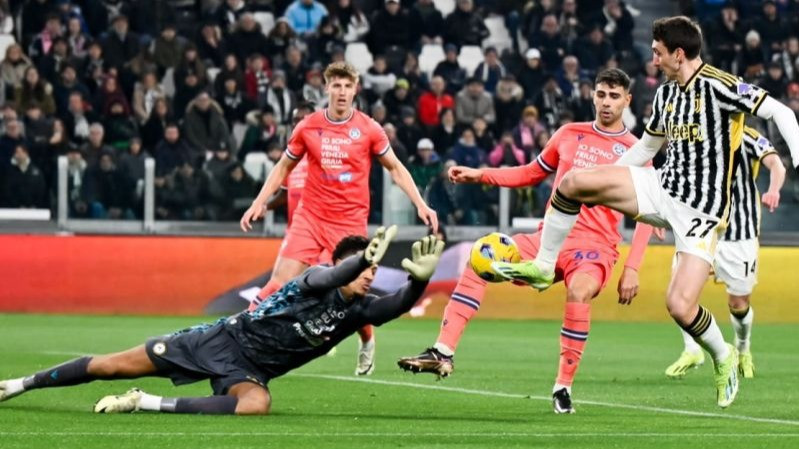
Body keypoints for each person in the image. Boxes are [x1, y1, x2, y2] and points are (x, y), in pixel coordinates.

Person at [493, 16, 799, 409]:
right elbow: (645, 151)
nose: (653, 60)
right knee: (573, 182)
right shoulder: (667, 95)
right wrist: (609, 174)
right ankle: (542, 264)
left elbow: (781, 113)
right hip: (661, 188)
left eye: (658, 53)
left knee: (679, 306)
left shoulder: (721, 86)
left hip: (701, 213)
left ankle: (723, 357)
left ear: (678, 53)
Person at [398, 68, 654, 414]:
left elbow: (644, 215)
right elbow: (531, 173)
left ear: (627, 100)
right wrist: (480, 175)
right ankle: (443, 352)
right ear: (592, 95)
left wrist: (633, 267)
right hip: (548, 238)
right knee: (481, 257)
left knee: (579, 291)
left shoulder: (636, 150)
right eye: (601, 94)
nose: (606, 102)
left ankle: (563, 387)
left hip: (594, 248)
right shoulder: (568, 134)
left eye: (614, 96)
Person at [0, 229, 444, 415]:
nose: (370, 274)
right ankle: (20, 385)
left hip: (248, 371)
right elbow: (333, 273)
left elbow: (399, 303)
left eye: (371, 268)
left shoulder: (359, 312)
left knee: (257, 405)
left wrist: (418, 283)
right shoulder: (313, 280)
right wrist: (357, 261)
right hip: (218, 339)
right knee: (109, 366)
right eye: (365, 266)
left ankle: (146, 403)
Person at [240, 62, 439, 374]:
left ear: (356, 89)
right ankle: (240, 333)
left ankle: (367, 340)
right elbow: (283, 167)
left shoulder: (369, 128)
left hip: (348, 224)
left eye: (347, 86)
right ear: (327, 88)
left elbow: (396, 168)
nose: (342, 92)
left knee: (350, 294)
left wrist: (420, 204)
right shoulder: (308, 126)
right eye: (336, 85)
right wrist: (259, 202)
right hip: (311, 216)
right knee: (279, 281)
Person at [665, 127, 785, 380]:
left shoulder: (749, 137)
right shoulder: (698, 132)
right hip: (702, 227)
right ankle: (692, 349)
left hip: (739, 234)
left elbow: (776, 164)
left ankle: (743, 348)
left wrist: (773, 189)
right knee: (680, 289)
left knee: (738, 304)